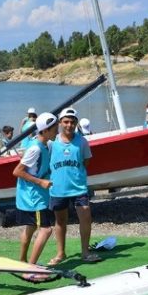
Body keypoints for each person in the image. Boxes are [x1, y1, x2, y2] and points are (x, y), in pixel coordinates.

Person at [48, 107, 101, 265]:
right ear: (60, 123)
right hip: (58, 189)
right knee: (60, 221)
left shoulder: (82, 142)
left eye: (72, 122)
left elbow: (85, 162)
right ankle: (60, 253)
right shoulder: (51, 143)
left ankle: (85, 252)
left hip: (79, 188)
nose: (69, 125)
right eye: (66, 122)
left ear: (76, 123)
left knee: (85, 217)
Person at [13, 112, 59, 282]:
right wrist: (40, 182)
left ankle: (23, 262)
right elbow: (17, 171)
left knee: (30, 228)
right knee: (46, 230)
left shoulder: (45, 144)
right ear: (45, 130)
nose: (57, 131)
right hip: (35, 197)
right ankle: (29, 270)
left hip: (34, 196)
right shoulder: (35, 148)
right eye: (55, 129)